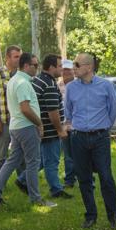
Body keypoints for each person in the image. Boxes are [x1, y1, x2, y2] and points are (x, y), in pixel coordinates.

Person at [0, 53, 54, 209]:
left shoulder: (14, 80)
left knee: (12, 161)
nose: (37, 68)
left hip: (16, 127)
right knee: (33, 162)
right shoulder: (23, 82)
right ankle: (36, 198)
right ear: (26, 66)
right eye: (35, 65)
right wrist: (39, 124)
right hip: (27, 127)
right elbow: (25, 109)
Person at [65, 53, 116, 229]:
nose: (73, 68)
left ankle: (114, 216)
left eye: (77, 65)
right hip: (78, 137)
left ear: (89, 67)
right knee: (84, 178)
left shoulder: (105, 85)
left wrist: (102, 128)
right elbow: (68, 112)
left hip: (100, 137)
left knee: (106, 177)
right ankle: (90, 216)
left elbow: (112, 111)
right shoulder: (71, 88)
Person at [34, 55, 72, 199]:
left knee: (43, 160)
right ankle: (56, 189)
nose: (62, 69)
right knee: (52, 161)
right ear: (51, 67)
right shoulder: (49, 84)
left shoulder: (39, 79)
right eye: (60, 66)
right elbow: (53, 111)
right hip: (50, 130)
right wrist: (60, 129)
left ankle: (23, 179)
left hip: (42, 128)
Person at [0, 45, 22, 178]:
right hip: (4, 122)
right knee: (1, 155)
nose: (19, 59)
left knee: (21, 154)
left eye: (20, 56)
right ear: (7, 57)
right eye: (16, 57)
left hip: (19, 122)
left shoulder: (21, 74)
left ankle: (22, 182)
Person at [59, 59, 77, 190]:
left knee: (81, 154)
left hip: (77, 126)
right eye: (64, 70)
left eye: (68, 70)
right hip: (63, 126)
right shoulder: (57, 86)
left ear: (73, 71)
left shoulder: (78, 85)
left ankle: (86, 178)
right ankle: (70, 180)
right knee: (67, 155)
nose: (66, 72)